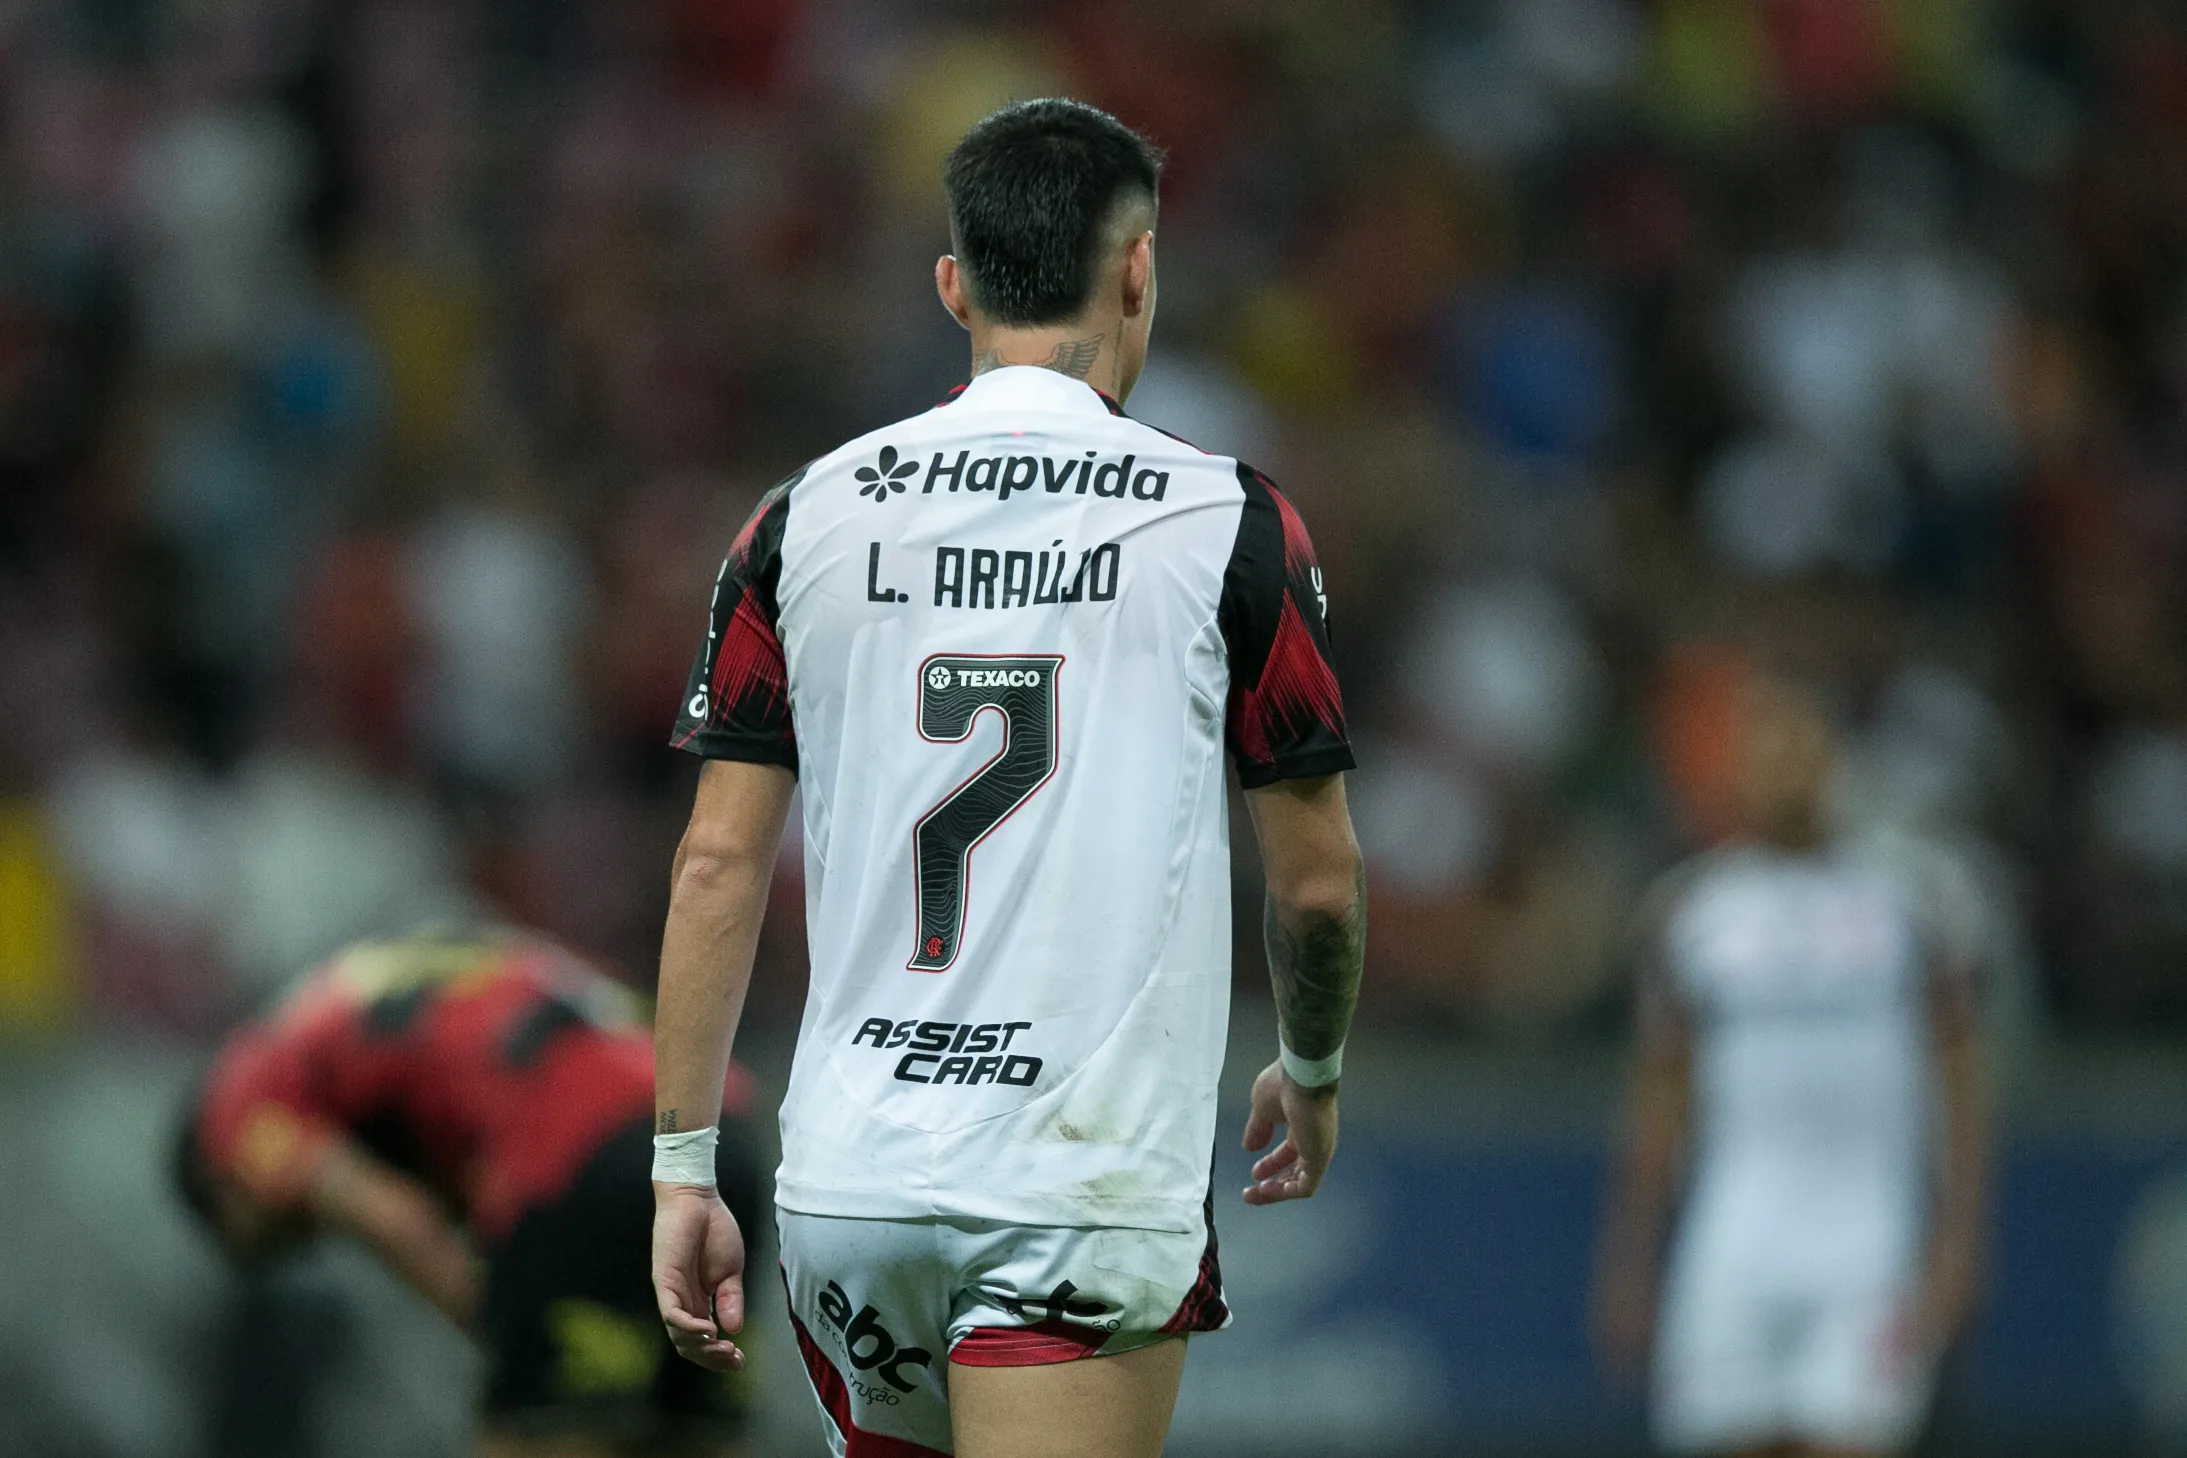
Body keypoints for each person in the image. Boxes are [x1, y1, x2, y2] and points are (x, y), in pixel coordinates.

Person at [647, 97, 1365, 1458]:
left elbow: (715, 861)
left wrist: (682, 1163)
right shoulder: (1226, 522)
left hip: (854, 1182)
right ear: (1139, 268)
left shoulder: (799, 516)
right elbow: (1317, 884)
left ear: (952, 285)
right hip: (1071, 1181)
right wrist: (1311, 1060)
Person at [173, 926, 765, 1458]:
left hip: (576, 1152)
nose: (302, 1239)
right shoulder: (368, 984)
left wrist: (510, 1330)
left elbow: (394, 1218)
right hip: (714, 1136)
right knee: (688, 1435)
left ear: (223, 1191)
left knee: (542, 1430)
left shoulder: (238, 1104)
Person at [1592, 672, 1988, 1458]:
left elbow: (1959, 1078)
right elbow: (1660, 1094)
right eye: (1767, 752)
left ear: (1835, 761)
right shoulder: (1691, 911)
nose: (1786, 769)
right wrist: (1631, 1254)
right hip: (1733, 1234)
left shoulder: (1910, 898)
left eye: (1803, 748)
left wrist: (1959, 1233)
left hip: (1868, 1237)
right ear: (1739, 770)